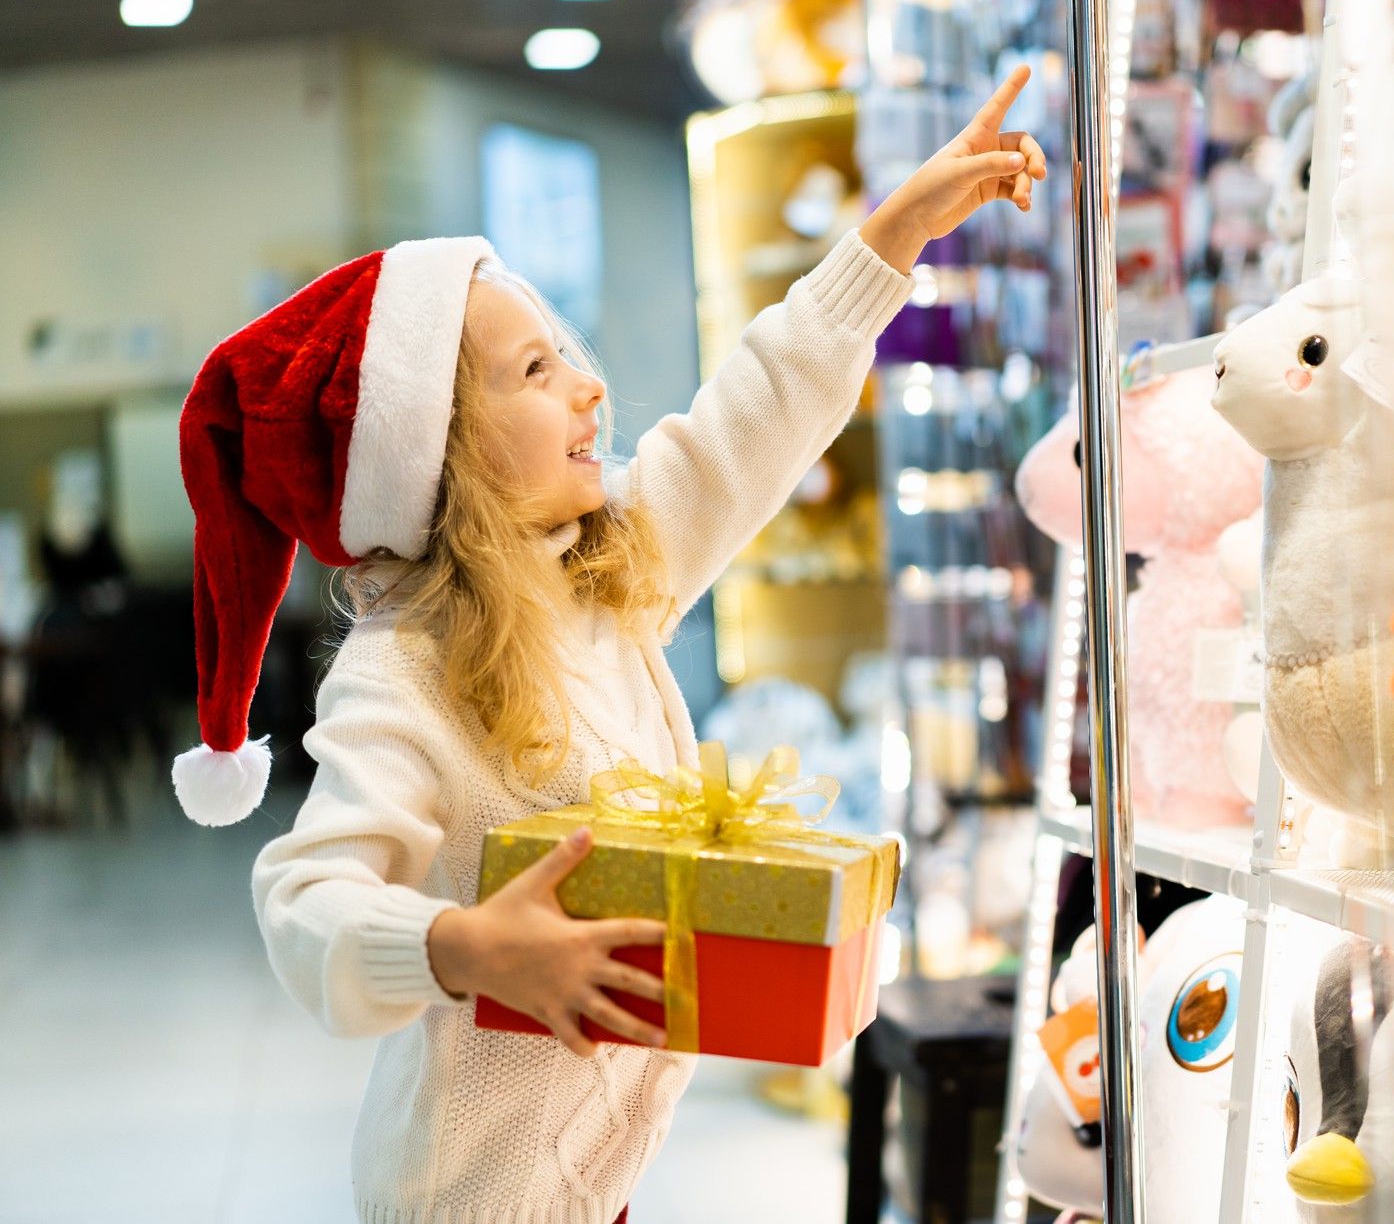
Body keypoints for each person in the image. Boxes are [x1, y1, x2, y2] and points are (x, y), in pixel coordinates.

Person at [172, 69, 1047, 1224]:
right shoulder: (406, 668)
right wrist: (462, 946)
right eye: (535, 371)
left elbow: (754, 413)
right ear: (437, 453)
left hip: (602, 1194)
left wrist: (892, 236)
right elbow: (303, 899)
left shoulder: (606, 571)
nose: (589, 388)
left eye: (565, 354)